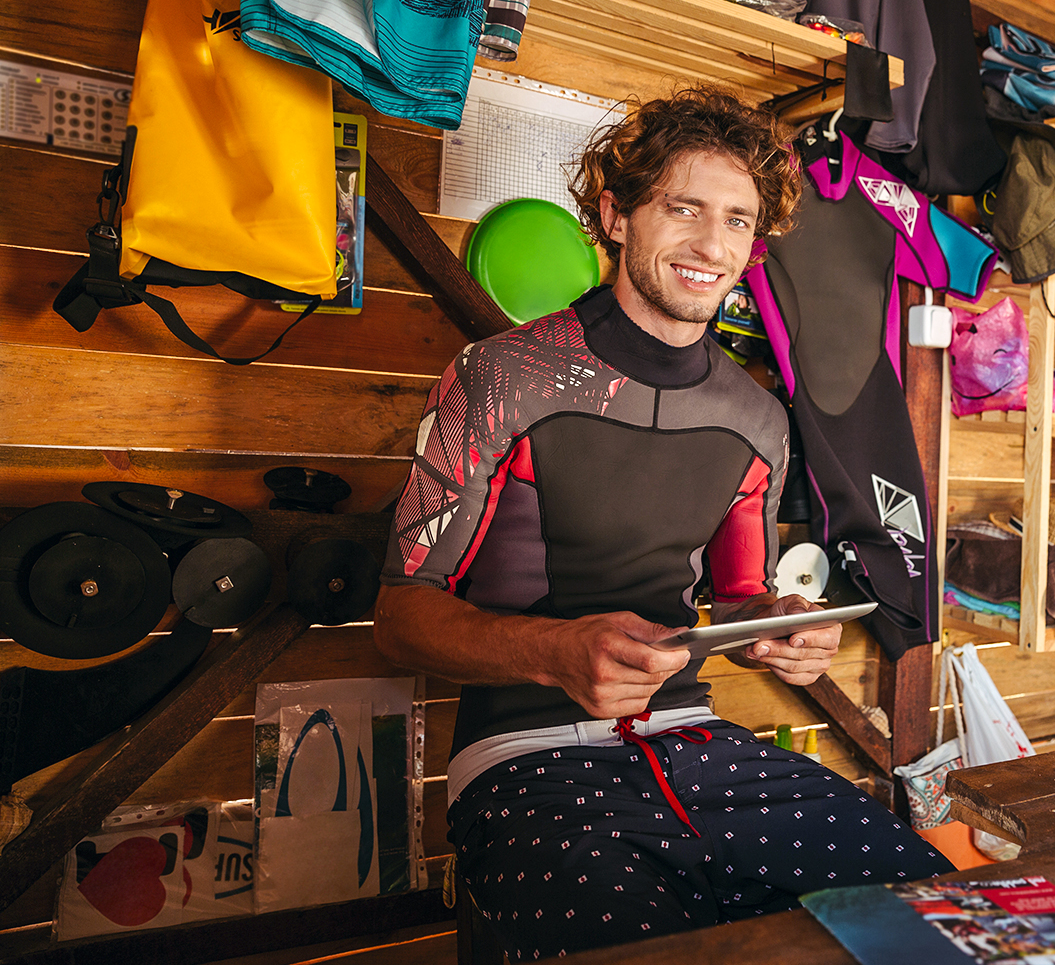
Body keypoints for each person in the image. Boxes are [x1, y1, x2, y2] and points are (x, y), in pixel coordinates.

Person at [373, 86, 954, 960]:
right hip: (525, 761)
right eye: (684, 209)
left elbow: (741, 597)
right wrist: (553, 651)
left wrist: (776, 628)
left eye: (736, 220)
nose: (712, 245)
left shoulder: (758, 420)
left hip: (706, 747)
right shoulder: (500, 377)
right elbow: (398, 616)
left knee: (938, 920)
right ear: (616, 216)